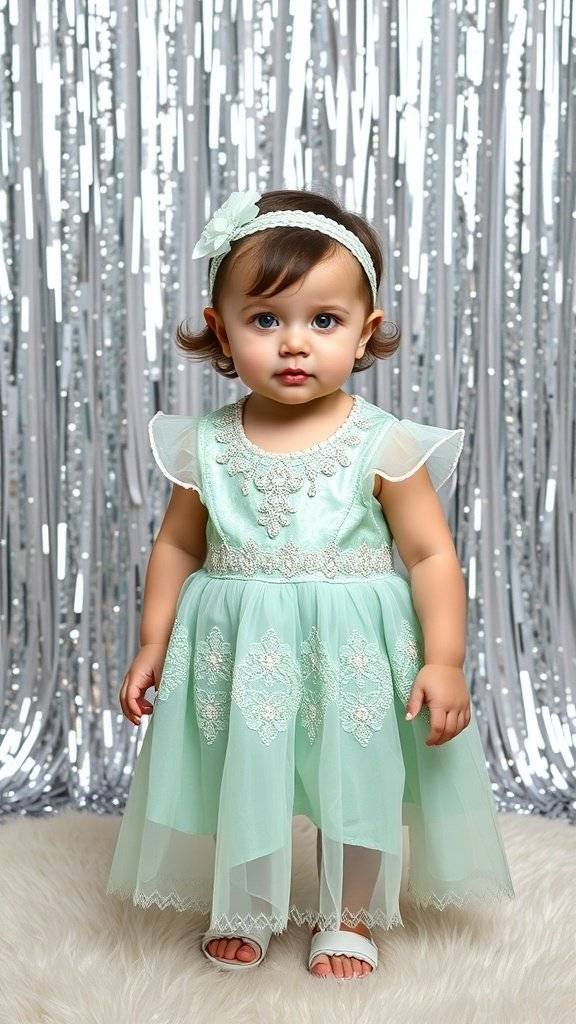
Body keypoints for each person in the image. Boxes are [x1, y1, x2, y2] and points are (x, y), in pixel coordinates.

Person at [106, 188, 515, 980]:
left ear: (363, 333)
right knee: (244, 773)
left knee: (352, 777)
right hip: (241, 647)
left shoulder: (379, 441)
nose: (295, 344)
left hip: (350, 646)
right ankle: (246, 906)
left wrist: (446, 659)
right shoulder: (208, 444)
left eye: (322, 321)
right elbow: (176, 545)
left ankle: (348, 913)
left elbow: (430, 554)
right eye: (266, 320)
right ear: (221, 330)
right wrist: (154, 641)